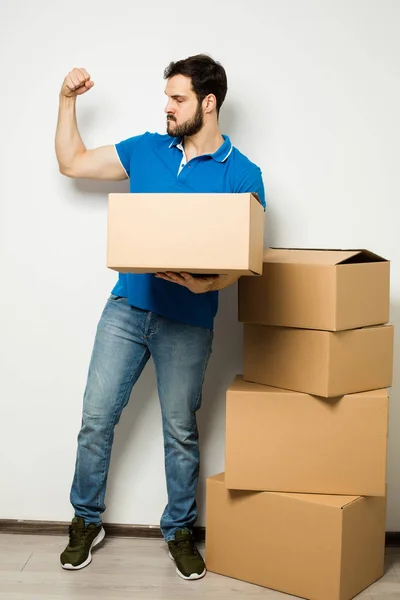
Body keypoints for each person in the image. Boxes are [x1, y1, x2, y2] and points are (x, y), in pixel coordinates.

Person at [55, 54, 265, 580]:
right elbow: (72, 162)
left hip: (188, 320)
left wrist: (209, 282)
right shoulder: (147, 149)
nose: (166, 107)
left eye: (178, 98)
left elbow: (248, 261)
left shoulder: (243, 174)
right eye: (167, 97)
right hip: (127, 308)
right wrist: (66, 100)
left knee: (180, 432)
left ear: (208, 103)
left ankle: (178, 530)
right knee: (95, 420)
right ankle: (85, 519)